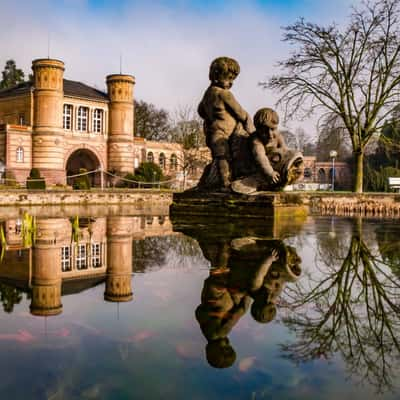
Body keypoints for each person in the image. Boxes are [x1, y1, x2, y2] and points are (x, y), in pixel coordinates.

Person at [198, 57, 254, 191]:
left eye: (233, 79)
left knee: (218, 159)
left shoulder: (207, 94)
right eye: (228, 79)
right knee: (223, 158)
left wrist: (213, 116)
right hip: (224, 134)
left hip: (213, 132)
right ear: (217, 76)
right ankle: (225, 184)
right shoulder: (224, 94)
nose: (231, 83)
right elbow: (242, 113)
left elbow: (200, 111)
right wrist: (252, 133)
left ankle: (208, 183)